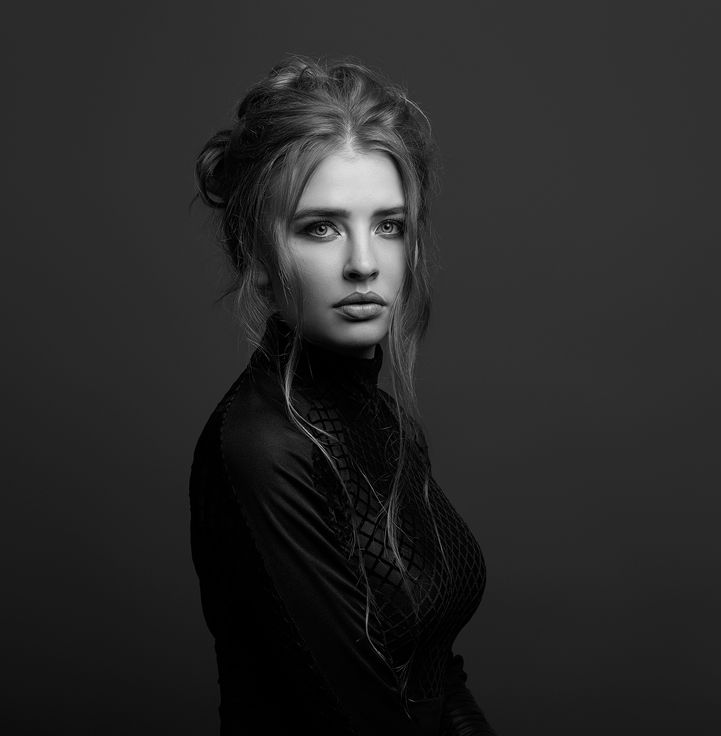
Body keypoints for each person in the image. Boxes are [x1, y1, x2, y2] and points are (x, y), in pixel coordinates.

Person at [189, 55, 497, 736]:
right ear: (256, 256)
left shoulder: (382, 423)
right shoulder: (262, 449)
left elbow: (435, 669)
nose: (364, 263)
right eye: (321, 227)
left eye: (389, 225)